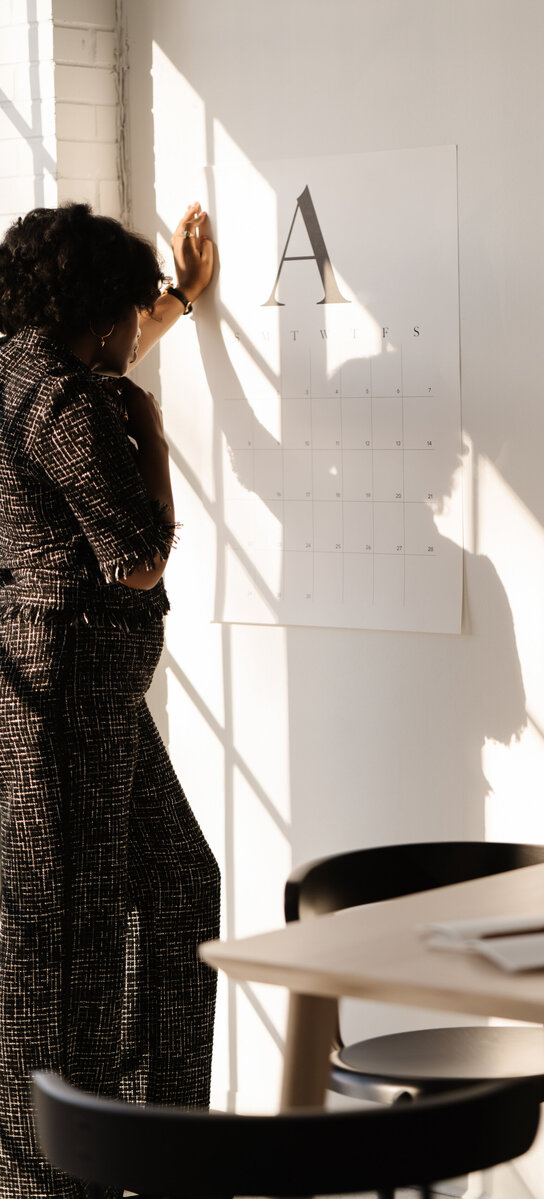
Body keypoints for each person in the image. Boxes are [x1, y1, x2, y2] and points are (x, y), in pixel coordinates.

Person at [0, 200, 219, 1198]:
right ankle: (65, 1178)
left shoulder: (20, 372)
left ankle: (155, 1145)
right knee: (71, 948)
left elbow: (72, 398)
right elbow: (135, 557)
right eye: (132, 310)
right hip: (71, 696)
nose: (141, 327)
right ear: (96, 311)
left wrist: (175, 299)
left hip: (63, 689)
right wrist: (155, 430)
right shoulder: (81, 404)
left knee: (174, 885)